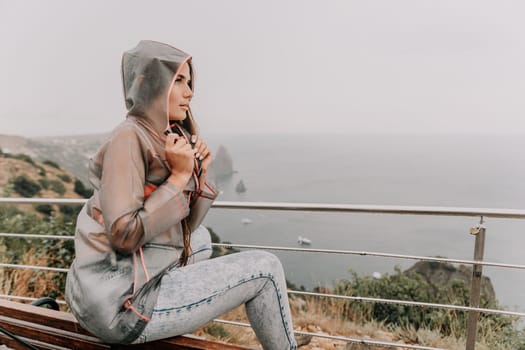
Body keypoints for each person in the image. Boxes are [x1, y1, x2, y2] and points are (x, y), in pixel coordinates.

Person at [65, 40, 297, 349]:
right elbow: (123, 235)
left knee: (202, 241)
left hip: (109, 290)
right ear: (148, 84)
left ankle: (187, 304)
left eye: (190, 82)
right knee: (267, 269)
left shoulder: (163, 136)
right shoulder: (128, 137)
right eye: (179, 81)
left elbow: (187, 230)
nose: (190, 92)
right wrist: (177, 177)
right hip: (120, 307)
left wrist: (197, 173)